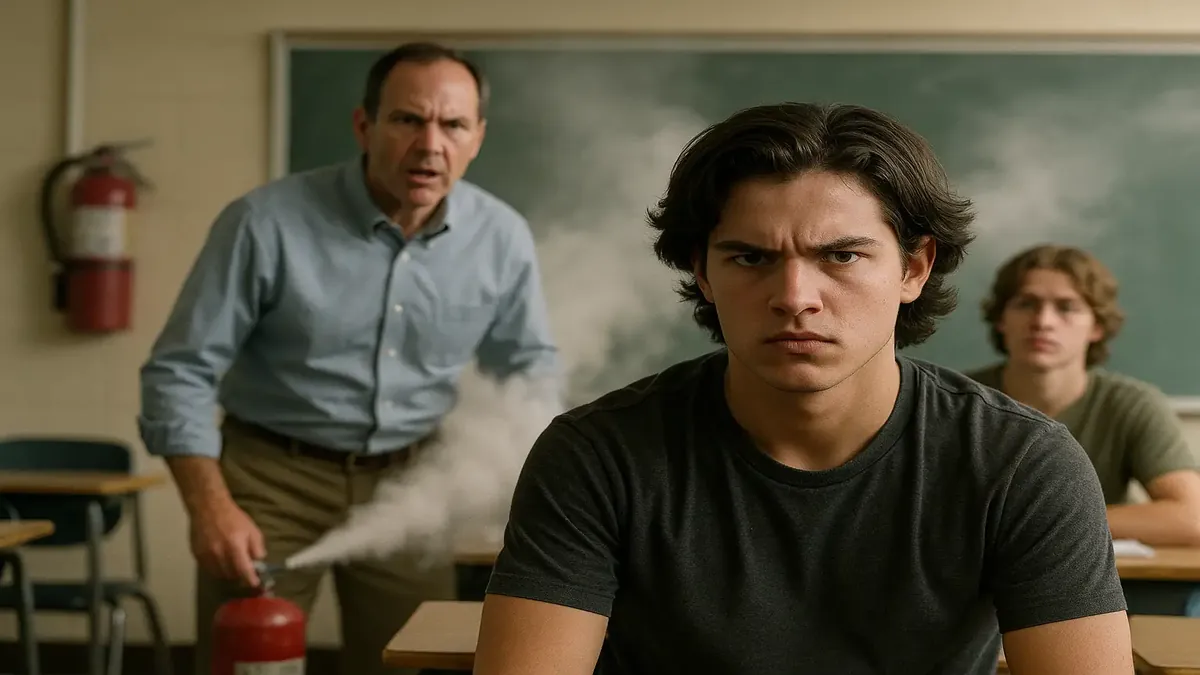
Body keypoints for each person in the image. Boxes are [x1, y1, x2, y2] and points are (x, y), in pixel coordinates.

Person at [473, 102, 1133, 675]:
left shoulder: (1023, 463)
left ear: (913, 267)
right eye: (751, 257)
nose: (794, 298)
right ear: (702, 271)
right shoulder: (596, 455)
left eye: (840, 256)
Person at [138, 42, 558, 675]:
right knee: (252, 658)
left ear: (477, 138)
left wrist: (519, 484)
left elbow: (527, 371)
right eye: (407, 120)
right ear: (365, 125)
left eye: (452, 124)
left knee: (411, 663)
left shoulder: (501, 238)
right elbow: (180, 370)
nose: (429, 145)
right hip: (268, 479)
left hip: (409, 482)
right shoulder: (263, 223)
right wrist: (211, 508)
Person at [965, 244, 1200, 547]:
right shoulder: (956, 400)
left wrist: (1039, 520)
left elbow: (1191, 517)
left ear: (1097, 326)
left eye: (1066, 307)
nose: (1043, 322)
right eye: (1026, 304)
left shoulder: (1131, 403)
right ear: (1001, 319)